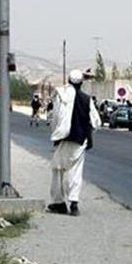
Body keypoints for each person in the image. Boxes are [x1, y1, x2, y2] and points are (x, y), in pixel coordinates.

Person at [47, 69, 101, 216]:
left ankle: (59, 203)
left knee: (58, 170)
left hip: (63, 140)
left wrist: (55, 135)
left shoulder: (61, 97)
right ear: (81, 83)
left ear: (69, 81)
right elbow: (96, 122)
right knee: (75, 172)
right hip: (79, 142)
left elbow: (55, 118)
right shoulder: (87, 99)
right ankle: (74, 204)